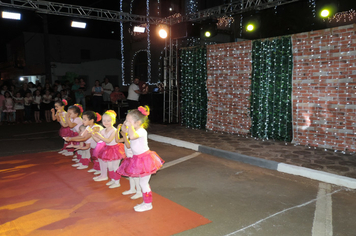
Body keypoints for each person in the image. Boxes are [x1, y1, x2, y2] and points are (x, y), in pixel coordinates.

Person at [117, 106, 164, 212]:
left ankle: (148, 204)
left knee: (143, 183)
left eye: (129, 121)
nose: (126, 122)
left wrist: (129, 127)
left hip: (145, 160)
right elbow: (124, 131)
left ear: (138, 122)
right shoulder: (134, 129)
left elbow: (132, 136)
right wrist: (125, 124)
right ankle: (145, 202)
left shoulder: (141, 131)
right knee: (142, 183)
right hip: (137, 159)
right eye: (126, 120)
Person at [91, 110, 125, 188]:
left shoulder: (114, 130)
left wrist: (99, 136)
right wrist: (93, 134)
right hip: (107, 149)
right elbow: (98, 141)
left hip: (115, 150)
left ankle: (117, 182)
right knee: (109, 166)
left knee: (115, 166)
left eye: (108, 121)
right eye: (104, 120)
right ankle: (113, 179)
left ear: (113, 121)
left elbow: (108, 140)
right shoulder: (103, 130)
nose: (106, 122)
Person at [118, 123, 142, 199]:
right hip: (129, 159)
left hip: (134, 159)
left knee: (135, 177)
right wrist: (117, 131)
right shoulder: (127, 136)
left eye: (126, 127)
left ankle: (139, 192)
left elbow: (128, 146)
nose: (124, 129)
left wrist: (124, 135)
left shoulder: (132, 137)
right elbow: (117, 140)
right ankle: (132, 189)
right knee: (130, 176)